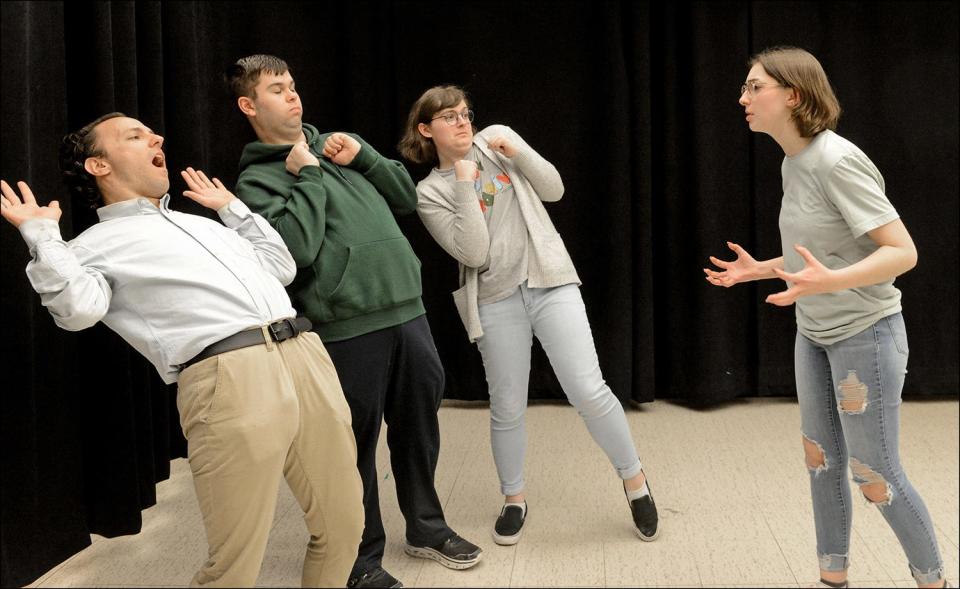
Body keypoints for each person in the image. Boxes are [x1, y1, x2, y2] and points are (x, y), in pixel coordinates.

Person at [0, 113, 364, 588]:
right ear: (98, 166)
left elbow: (281, 267)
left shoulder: (206, 225)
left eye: (151, 132)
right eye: (134, 136)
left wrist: (232, 208)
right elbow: (78, 310)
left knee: (344, 528)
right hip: (229, 377)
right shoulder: (90, 245)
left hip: (304, 355)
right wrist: (42, 235)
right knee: (234, 564)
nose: (157, 138)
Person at [226, 55, 481, 588]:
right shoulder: (255, 180)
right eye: (277, 89)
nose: (293, 96)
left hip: (406, 309)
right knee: (352, 446)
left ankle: (427, 528)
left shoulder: (338, 142)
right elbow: (292, 250)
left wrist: (364, 157)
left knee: (418, 427)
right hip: (344, 326)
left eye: (293, 85)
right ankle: (359, 557)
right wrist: (309, 178)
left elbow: (406, 197)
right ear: (250, 106)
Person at [705, 46, 948, 589]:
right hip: (813, 333)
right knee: (820, 462)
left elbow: (902, 252)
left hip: (866, 335)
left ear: (792, 94)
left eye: (753, 87)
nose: (742, 98)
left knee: (874, 473)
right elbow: (822, 253)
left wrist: (828, 282)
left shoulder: (837, 160)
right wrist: (763, 269)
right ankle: (831, 579)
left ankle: (933, 581)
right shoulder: (794, 160)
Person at [397, 85, 660, 546]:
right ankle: (514, 498)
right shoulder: (429, 193)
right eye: (449, 117)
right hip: (494, 299)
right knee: (507, 406)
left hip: (549, 280)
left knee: (587, 387)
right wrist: (463, 181)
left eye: (465, 113)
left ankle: (635, 480)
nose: (462, 122)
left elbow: (554, 189)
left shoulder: (497, 139)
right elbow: (474, 254)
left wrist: (516, 152)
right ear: (426, 130)